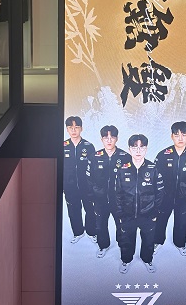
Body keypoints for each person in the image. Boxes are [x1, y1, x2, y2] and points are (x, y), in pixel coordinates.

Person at [115, 134, 164, 274]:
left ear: (146, 149)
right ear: (129, 149)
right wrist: (120, 214)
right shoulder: (122, 169)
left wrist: (155, 212)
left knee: (149, 240)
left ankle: (147, 259)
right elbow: (117, 194)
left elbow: (160, 193)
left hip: (148, 214)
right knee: (126, 240)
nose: (138, 151)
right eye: (134, 147)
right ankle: (126, 260)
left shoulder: (153, 169)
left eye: (141, 147)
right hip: (128, 215)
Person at [154, 121, 186, 255]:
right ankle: (157, 241)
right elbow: (155, 177)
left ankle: (180, 243)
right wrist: (159, 195)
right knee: (161, 220)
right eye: (176, 135)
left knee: (181, 222)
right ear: (172, 136)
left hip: (184, 197)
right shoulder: (163, 155)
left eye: (183, 135)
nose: (180, 138)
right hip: (166, 197)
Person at [86, 125, 131, 258]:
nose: (109, 140)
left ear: (117, 138)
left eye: (112, 137)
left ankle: (122, 247)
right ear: (101, 139)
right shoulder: (94, 157)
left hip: (119, 201)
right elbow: (89, 179)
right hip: (100, 199)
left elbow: (131, 181)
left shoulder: (125, 157)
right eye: (106, 137)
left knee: (121, 225)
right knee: (100, 225)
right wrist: (92, 196)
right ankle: (103, 245)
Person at [63, 116, 96, 243]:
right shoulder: (62, 146)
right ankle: (78, 232)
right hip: (70, 186)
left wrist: (93, 185)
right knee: (73, 210)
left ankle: (91, 232)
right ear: (67, 129)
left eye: (76, 127)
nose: (73, 130)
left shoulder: (89, 146)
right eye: (70, 127)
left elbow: (94, 168)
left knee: (90, 209)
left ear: (81, 128)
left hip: (87, 186)